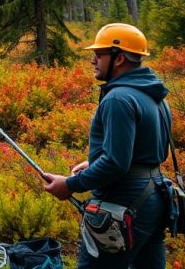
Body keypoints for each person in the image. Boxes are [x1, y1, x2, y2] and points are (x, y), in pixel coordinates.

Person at [42, 23, 174, 269]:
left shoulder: (118, 98)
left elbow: (116, 163)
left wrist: (69, 185)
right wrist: (94, 163)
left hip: (124, 203)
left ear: (120, 58)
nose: (93, 60)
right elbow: (147, 152)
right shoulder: (153, 96)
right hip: (155, 200)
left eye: (99, 54)